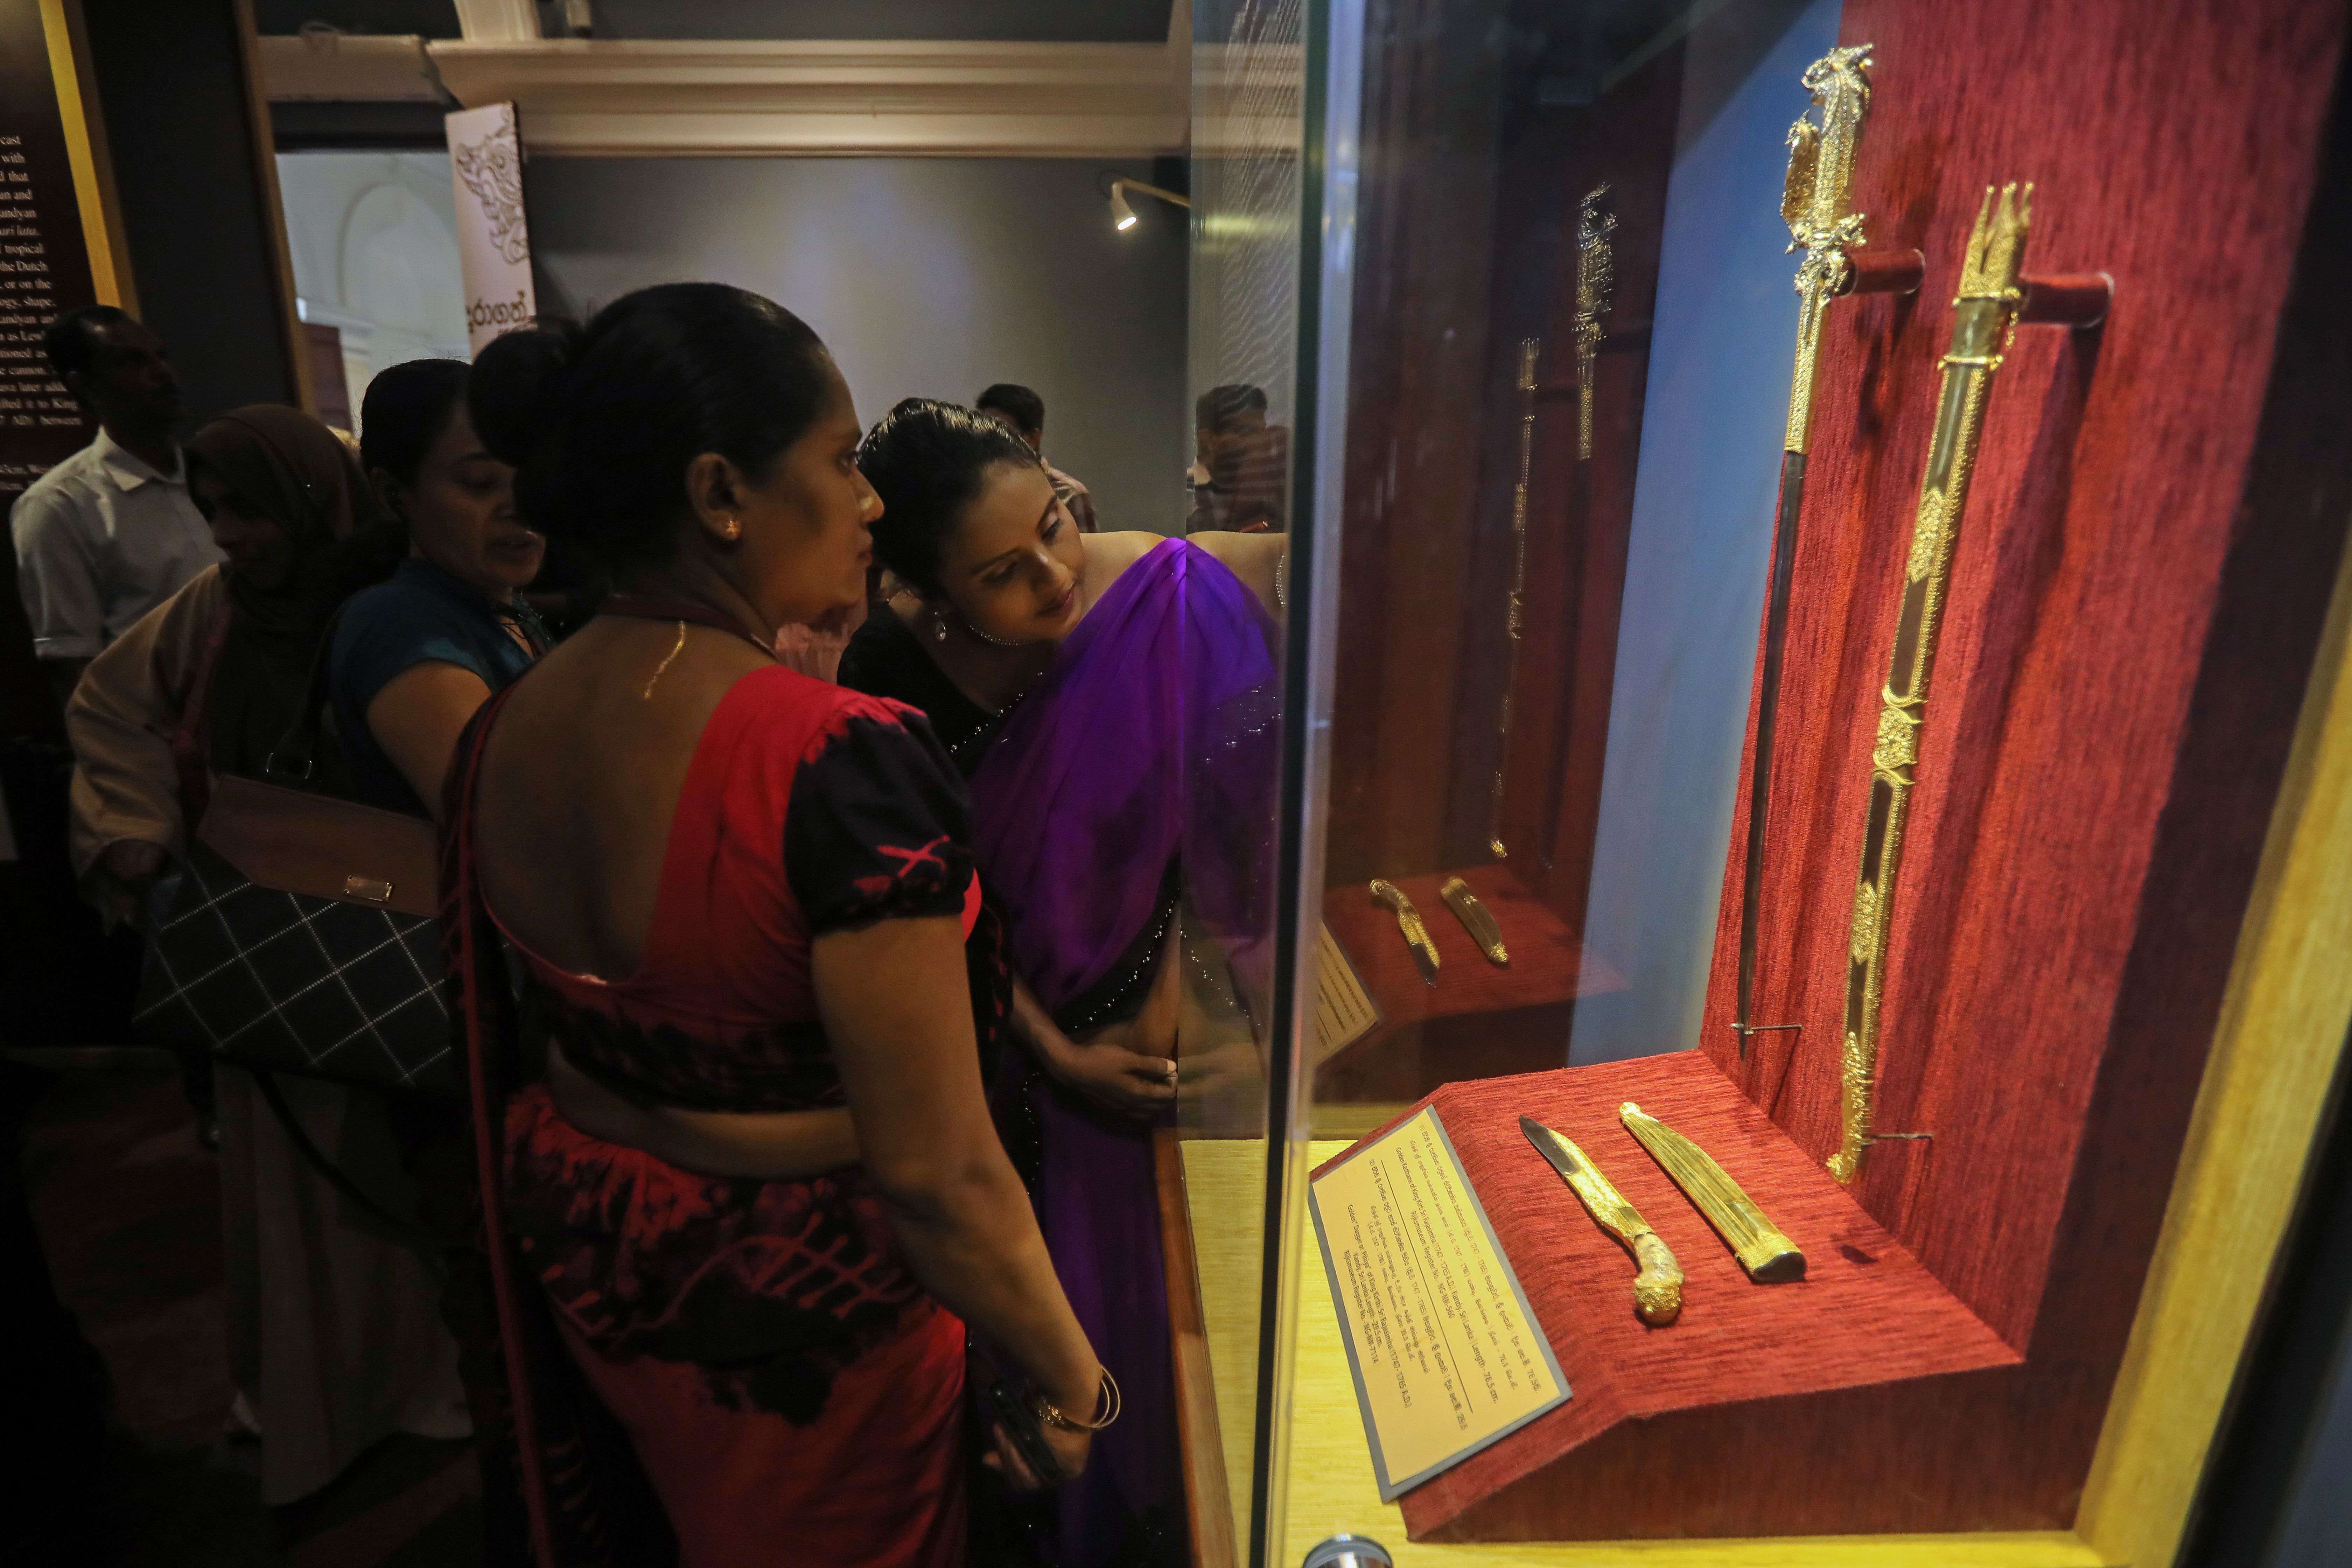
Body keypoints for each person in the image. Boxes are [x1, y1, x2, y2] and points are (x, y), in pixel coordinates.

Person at [451, 284, 1105, 1568]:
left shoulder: (504, 720)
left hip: (602, 1267)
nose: (868, 501)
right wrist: (1076, 1375)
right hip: (807, 1328)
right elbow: (936, 1175)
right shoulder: (837, 761)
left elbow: (579, 1044)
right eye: (839, 457)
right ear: (717, 493)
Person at [841, 398, 1285, 1568]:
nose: (1053, 574)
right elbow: (935, 932)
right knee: (1092, 1377)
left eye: (1057, 522)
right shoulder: (893, 683)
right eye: (1001, 572)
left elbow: (1242, 864)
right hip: (1035, 1091)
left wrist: (1259, 1042)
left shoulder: (1160, 604)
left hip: (1205, 1073)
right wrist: (1059, 1048)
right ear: (932, 597)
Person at [60, 405, 467, 1505]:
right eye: (211, 509)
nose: (228, 532)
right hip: (269, 944)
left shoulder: (384, 611)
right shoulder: (222, 613)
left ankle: (427, 1381)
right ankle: (327, 1401)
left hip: (392, 943)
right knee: (296, 1197)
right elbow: (109, 706)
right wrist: (137, 832)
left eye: (246, 505)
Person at [330, 360, 550, 819]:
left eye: (533, 477)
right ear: (394, 492)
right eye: (481, 483)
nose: (522, 507)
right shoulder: (398, 625)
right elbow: (511, 828)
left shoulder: (503, 607)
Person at [12, 307, 218, 703]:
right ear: (85, 386)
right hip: (161, 731)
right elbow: (74, 666)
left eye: (161, 356)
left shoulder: (212, 476)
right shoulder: (59, 505)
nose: (162, 373)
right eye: (132, 361)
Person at [977, 382, 1098, 533]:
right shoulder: (976, 486)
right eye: (982, 431)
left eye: (1000, 434)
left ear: (1033, 438)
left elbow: (1086, 555)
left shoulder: (1069, 494)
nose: (986, 441)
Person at [1184, 382, 1288, 535]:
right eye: (1246, 432)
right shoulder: (1183, 500)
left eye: (1261, 431)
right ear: (1207, 440)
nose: (1259, 441)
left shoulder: (1268, 488)